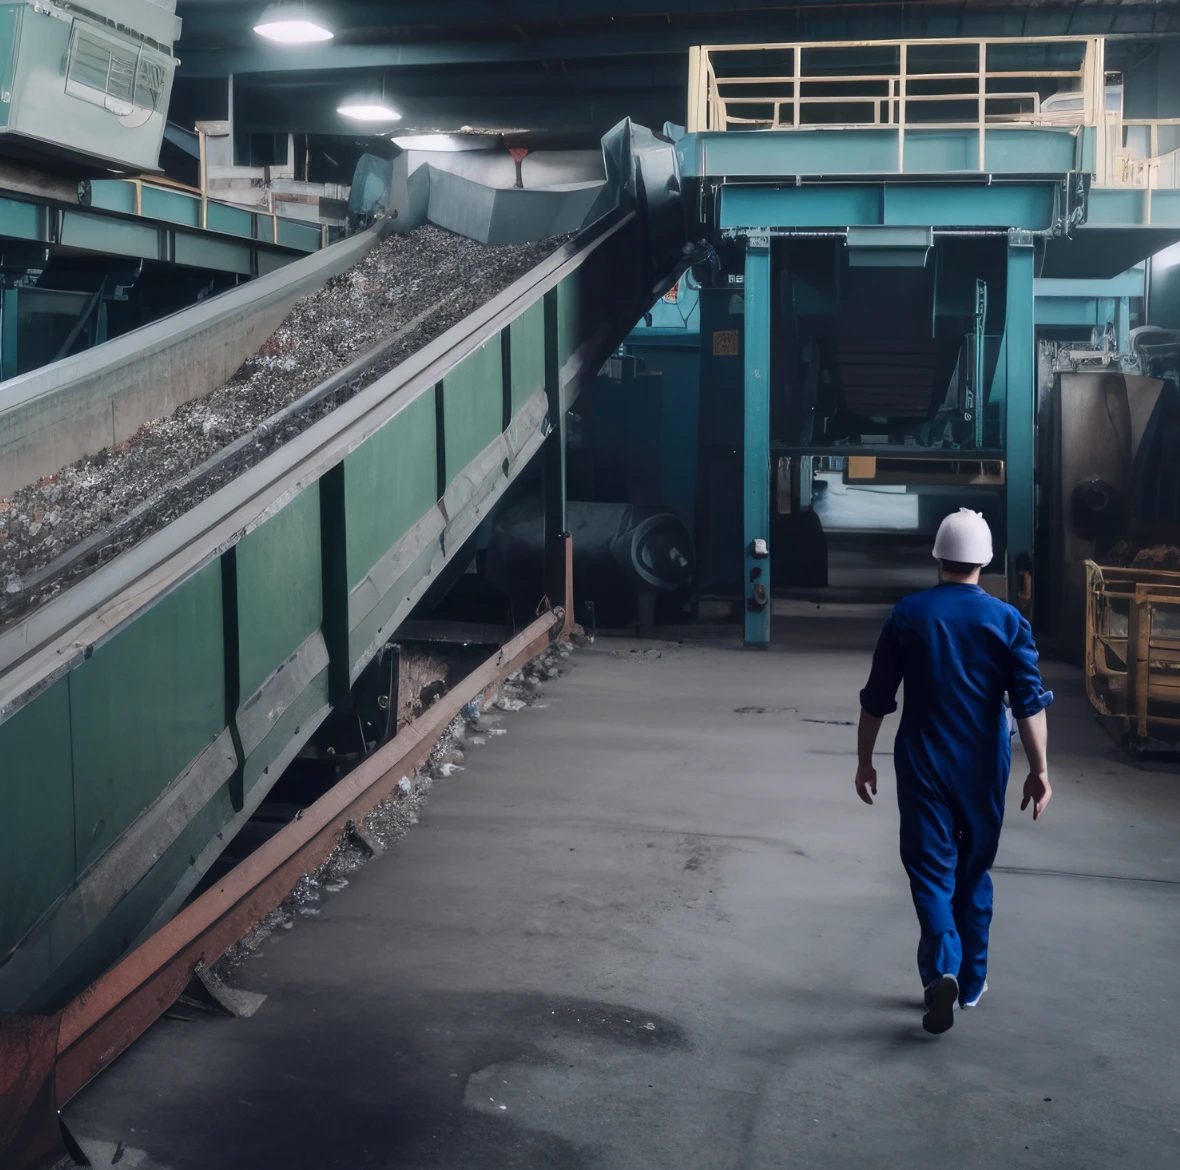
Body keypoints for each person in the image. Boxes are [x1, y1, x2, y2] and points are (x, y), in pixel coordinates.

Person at [855, 508, 1053, 1035]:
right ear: (984, 563)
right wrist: (1040, 770)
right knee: (973, 872)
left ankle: (942, 967)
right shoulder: (1008, 621)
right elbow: (1029, 704)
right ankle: (970, 984)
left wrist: (863, 760)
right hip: (985, 763)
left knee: (930, 870)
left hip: (922, 760)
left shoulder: (908, 615)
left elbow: (877, 699)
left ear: (938, 556)